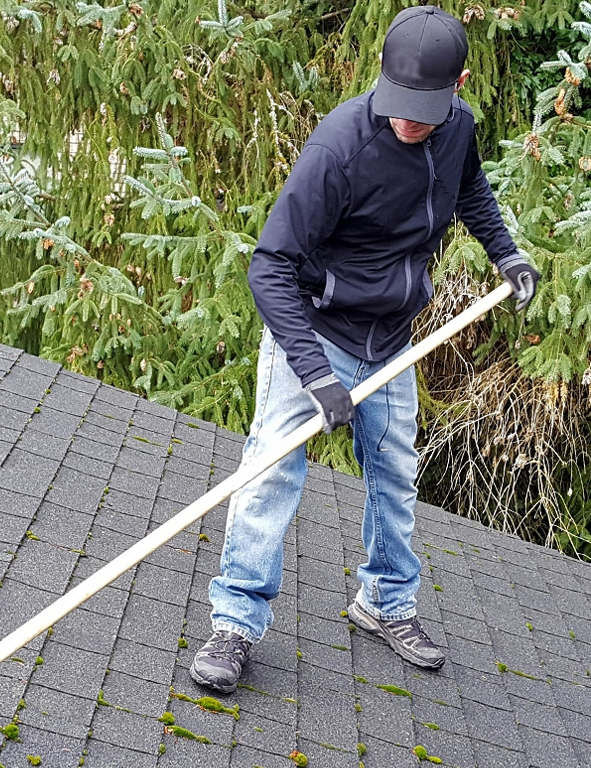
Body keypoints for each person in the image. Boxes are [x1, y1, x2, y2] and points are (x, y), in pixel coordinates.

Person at [190, 6, 540, 691]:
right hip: (316, 336)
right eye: (400, 106)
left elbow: (471, 190)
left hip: (391, 343)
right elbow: (269, 266)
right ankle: (233, 623)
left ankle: (385, 602)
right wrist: (316, 374)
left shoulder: (456, 129)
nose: (409, 122)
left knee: (395, 476)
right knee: (270, 476)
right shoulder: (340, 147)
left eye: (425, 110)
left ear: (459, 85)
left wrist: (508, 255)